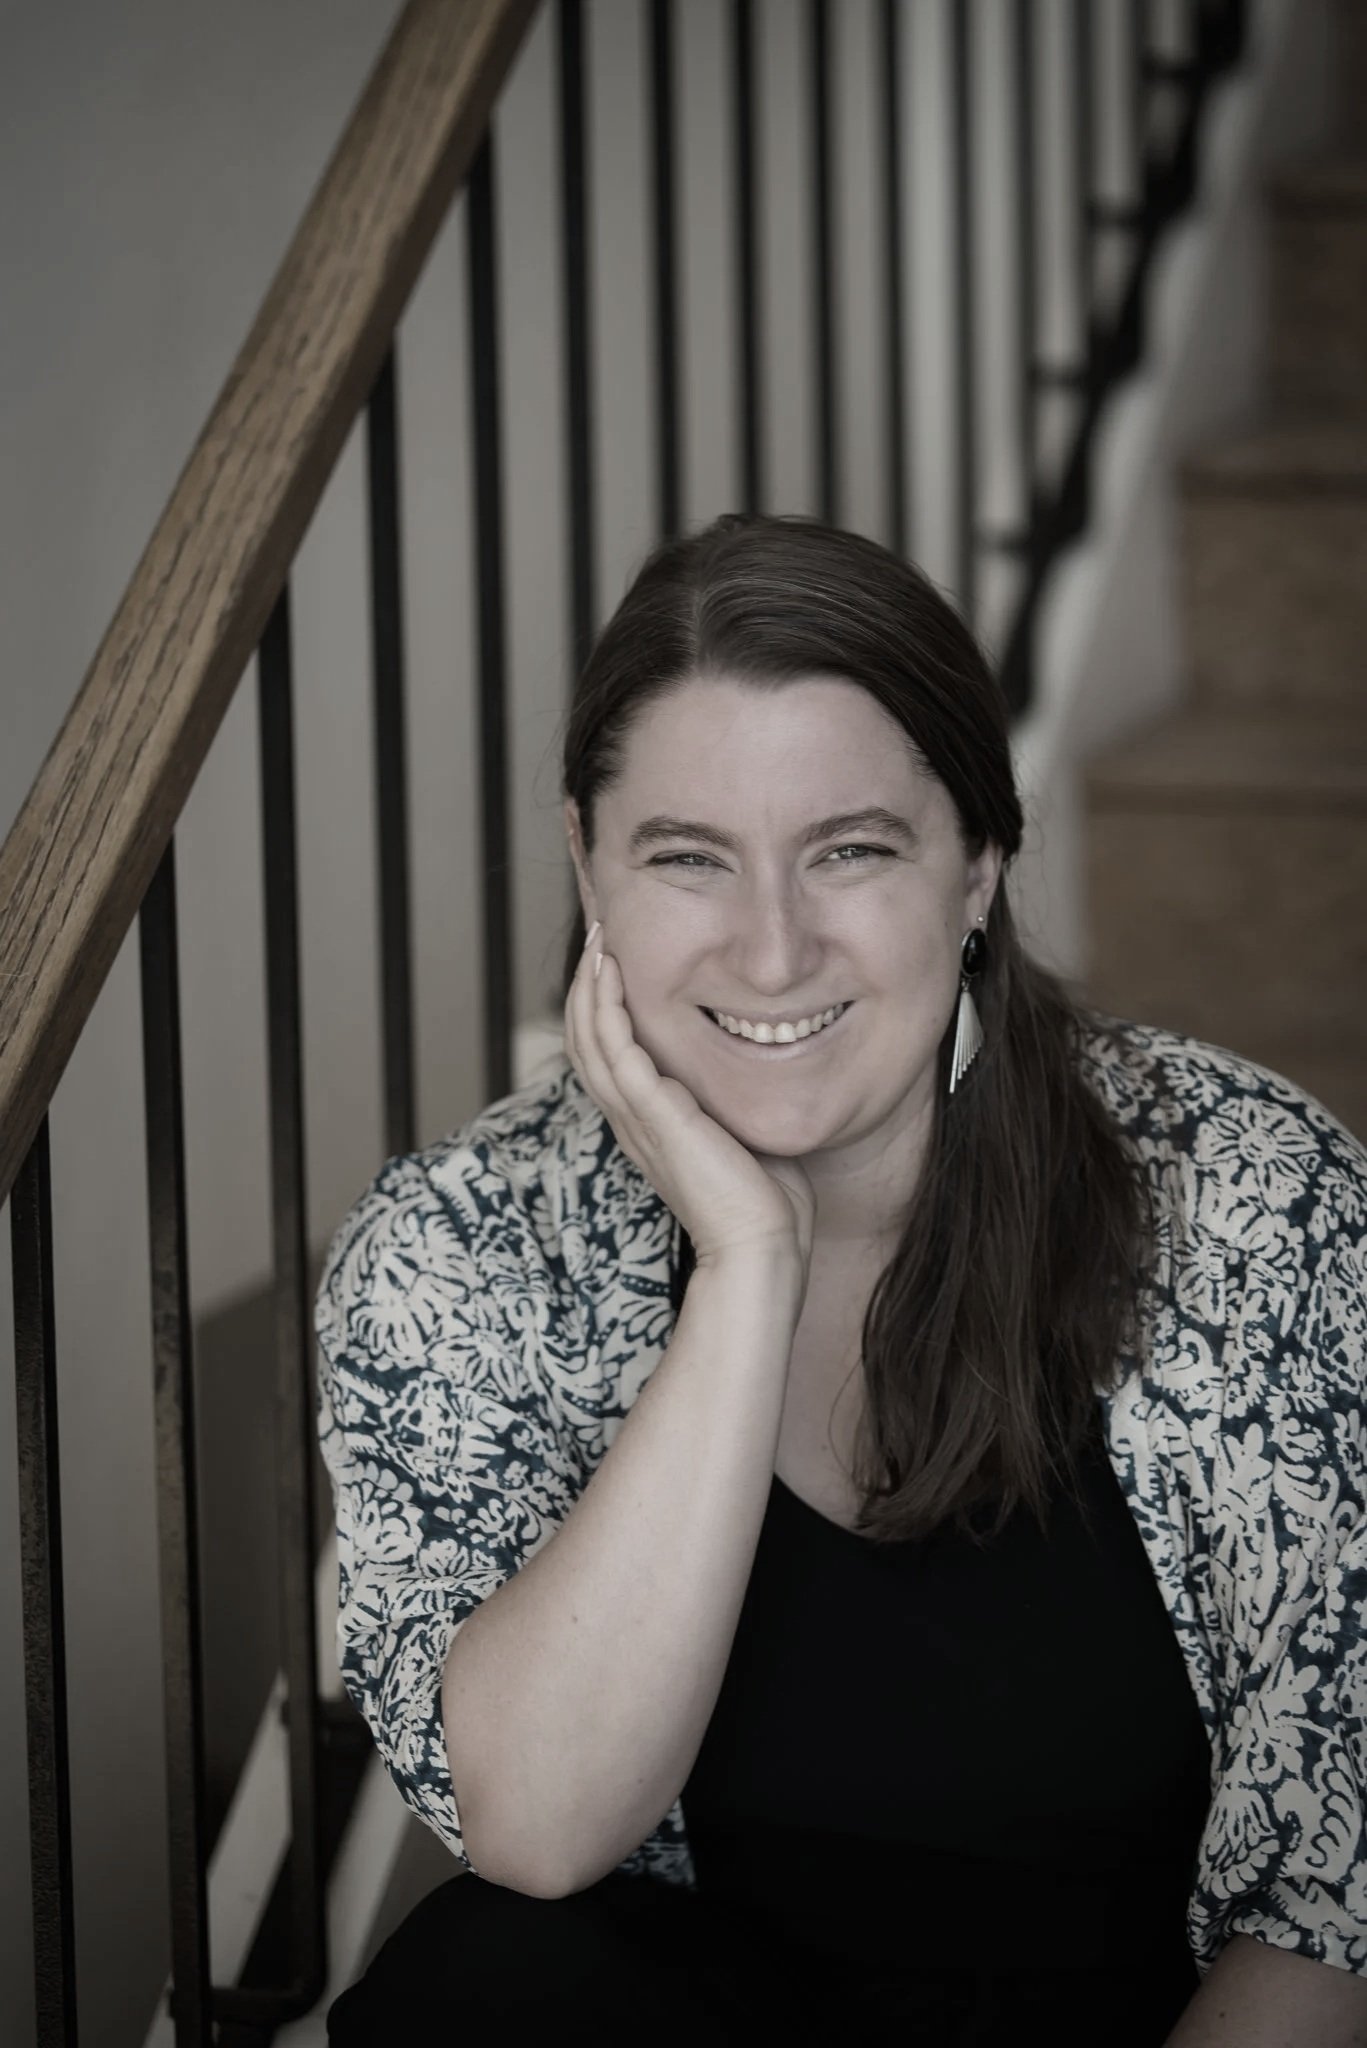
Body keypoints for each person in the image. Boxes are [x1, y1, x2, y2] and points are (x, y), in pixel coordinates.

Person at [315, 515, 1367, 2046]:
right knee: (483, 1984)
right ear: (587, 869)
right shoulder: (461, 1251)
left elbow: (1334, 1910)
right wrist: (748, 1263)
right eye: (688, 860)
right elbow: (537, 1826)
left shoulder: (1257, 1204)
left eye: (852, 851)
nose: (772, 949)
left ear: (980, 868)